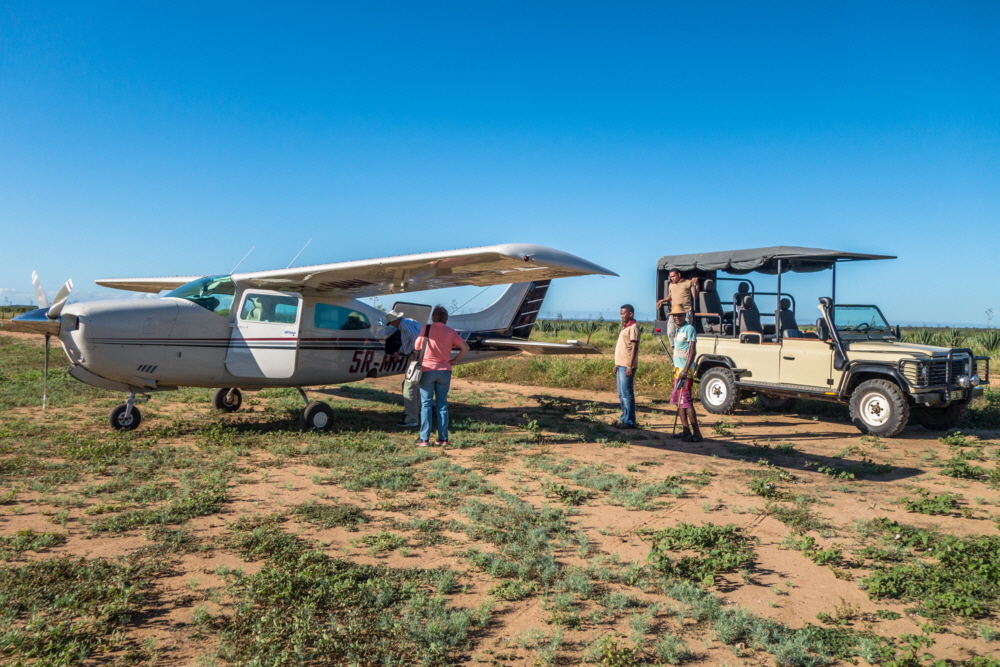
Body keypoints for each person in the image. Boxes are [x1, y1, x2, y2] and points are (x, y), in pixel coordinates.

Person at [414, 305, 470, 447]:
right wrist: (455, 360)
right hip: (445, 370)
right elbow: (465, 347)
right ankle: (443, 438)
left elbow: (416, 347)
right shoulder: (450, 332)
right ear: (446, 319)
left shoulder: (426, 329)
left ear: (433, 317)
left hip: (427, 369)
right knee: (442, 405)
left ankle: (424, 438)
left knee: (426, 404)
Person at [669, 304, 702, 442]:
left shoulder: (689, 329)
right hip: (678, 371)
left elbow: (692, 351)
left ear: (684, 316)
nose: (677, 317)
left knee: (687, 402)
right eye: (675, 315)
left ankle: (697, 433)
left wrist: (685, 370)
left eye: (679, 315)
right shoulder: (678, 330)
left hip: (685, 372)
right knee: (679, 402)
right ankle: (685, 430)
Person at [385, 309, 423, 428]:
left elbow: (416, 339)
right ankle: (417, 413)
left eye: (391, 322)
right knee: (415, 385)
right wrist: (399, 352)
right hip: (417, 355)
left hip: (416, 356)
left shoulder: (404, 325)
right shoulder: (409, 322)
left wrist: (416, 353)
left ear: (395, 321)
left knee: (410, 386)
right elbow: (408, 341)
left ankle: (412, 419)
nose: (392, 325)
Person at [613, 304, 640, 429]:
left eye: (623, 313)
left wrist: (629, 366)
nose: (621, 315)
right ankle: (624, 418)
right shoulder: (625, 327)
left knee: (627, 394)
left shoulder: (633, 327)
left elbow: (634, 347)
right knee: (621, 393)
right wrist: (617, 364)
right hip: (621, 365)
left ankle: (629, 421)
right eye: (621, 313)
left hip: (626, 366)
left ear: (631, 314)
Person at [656, 269, 699, 345]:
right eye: (671, 277)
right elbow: (670, 297)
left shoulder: (688, 282)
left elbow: (695, 295)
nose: (672, 278)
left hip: (686, 311)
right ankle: (674, 349)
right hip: (674, 312)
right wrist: (662, 300)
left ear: (679, 275)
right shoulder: (671, 285)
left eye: (673, 276)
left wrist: (697, 284)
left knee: (686, 333)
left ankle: (686, 350)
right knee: (670, 332)